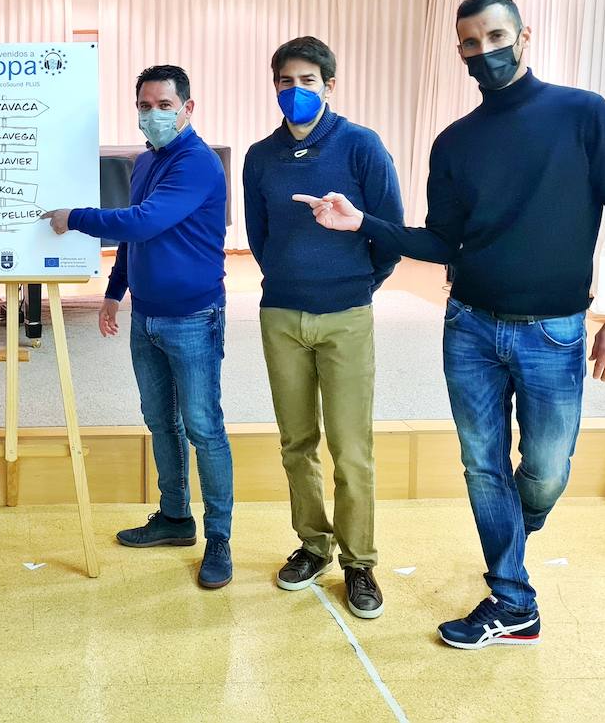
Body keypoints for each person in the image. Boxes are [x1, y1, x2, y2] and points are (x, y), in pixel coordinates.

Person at [295, 0, 605, 648]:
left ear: (525, 35)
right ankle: (513, 598)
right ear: (458, 50)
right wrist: (363, 223)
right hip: (470, 328)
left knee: (544, 470)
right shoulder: (455, 142)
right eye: (470, 42)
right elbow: (441, 241)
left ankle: (512, 539)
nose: (484, 51)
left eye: (495, 36)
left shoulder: (583, 115)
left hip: (554, 329)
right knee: (484, 466)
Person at [42, 65, 234, 589]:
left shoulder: (197, 164)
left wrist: (74, 217)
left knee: (203, 426)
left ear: (188, 108)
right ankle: (175, 517)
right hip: (146, 314)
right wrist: (113, 291)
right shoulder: (144, 160)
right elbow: (135, 237)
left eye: (163, 105)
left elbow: (145, 220)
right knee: (159, 420)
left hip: (194, 316)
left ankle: (219, 539)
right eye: (144, 106)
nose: (153, 115)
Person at [244, 36, 403, 619]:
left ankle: (360, 561)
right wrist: (292, 279)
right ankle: (314, 544)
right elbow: (259, 238)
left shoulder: (361, 146)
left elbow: (390, 229)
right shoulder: (260, 156)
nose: (295, 90)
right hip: (281, 313)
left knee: (351, 446)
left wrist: (357, 284)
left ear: (329, 87)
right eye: (286, 80)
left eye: (308, 81)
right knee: (296, 442)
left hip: (346, 316)